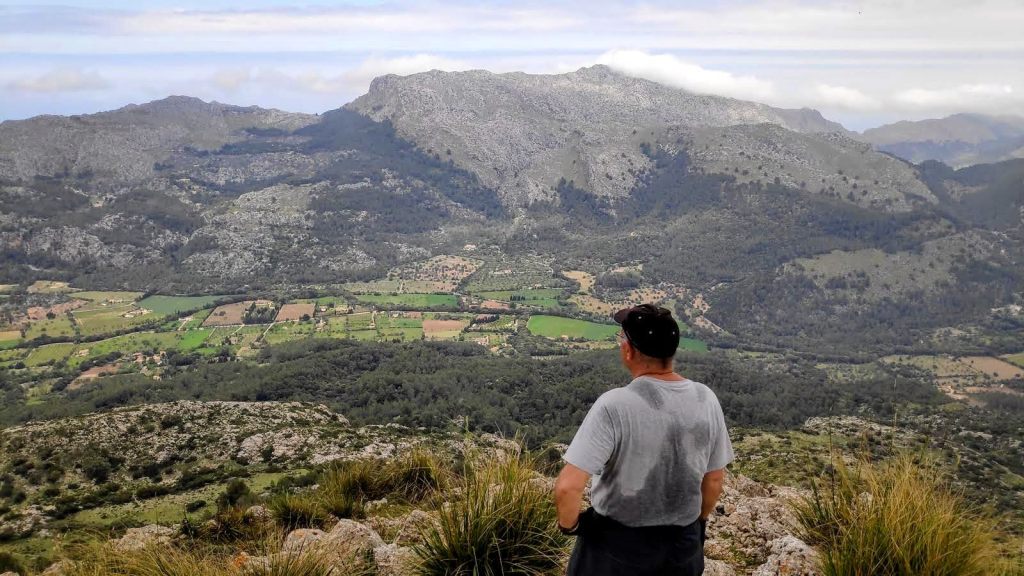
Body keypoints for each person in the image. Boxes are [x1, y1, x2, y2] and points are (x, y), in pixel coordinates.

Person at [553, 304, 734, 576]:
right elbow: (714, 480)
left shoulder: (614, 405)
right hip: (681, 550)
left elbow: (568, 487)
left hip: (616, 549)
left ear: (629, 351)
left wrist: (571, 527)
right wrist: (696, 526)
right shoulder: (705, 398)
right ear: (671, 351)